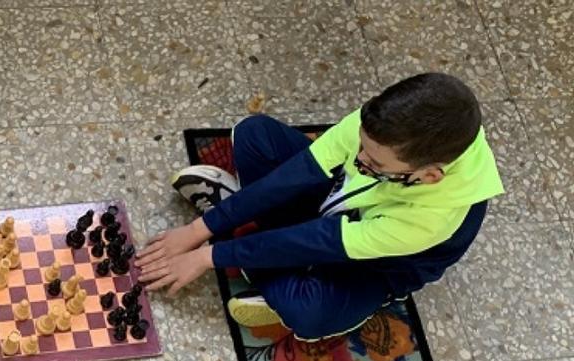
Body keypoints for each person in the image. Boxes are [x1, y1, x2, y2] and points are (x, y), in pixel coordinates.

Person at [138, 72, 504, 340]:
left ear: (429, 177)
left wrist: (206, 256)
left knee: (308, 315)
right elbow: (299, 172)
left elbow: (317, 239)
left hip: (369, 262)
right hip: (334, 210)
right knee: (254, 135)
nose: (359, 159)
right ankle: (257, 256)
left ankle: (266, 264)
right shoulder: (386, 126)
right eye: (361, 145)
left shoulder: (430, 221)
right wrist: (197, 230)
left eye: (374, 164)